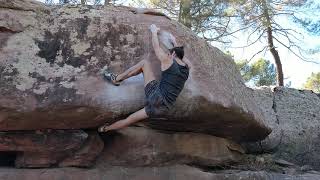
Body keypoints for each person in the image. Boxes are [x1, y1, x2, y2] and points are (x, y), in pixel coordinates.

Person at [98, 24, 191, 132]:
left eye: (169, 53)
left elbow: (156, 47)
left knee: (144, 63)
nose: (167, 54)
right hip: (163, 108)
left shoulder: (168, 61)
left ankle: (117, 78)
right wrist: (175, 43)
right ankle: (104, 129)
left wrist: (154, 32)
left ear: (173, 54)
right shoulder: (187, 69)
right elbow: (183, 57)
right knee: (130, 120)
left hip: (156, 96)